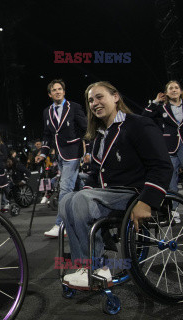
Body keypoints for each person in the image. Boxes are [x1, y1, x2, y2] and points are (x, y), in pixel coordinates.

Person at [60, 81, 172, 289]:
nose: (94, 103)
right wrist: (87, 191)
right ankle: (84, 266)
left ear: (115, 97)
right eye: (91, 100)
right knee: (67, 199)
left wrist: (146, 202)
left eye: (99, 97)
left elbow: (162, 166)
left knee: (82, 199)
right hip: (108, 194)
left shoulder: (138, 124)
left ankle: (98, 267)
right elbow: (94, 174)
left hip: (134, 193)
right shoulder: (99, 135)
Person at [35, 79, 87, 238]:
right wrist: (43, 153)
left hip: (73, 153)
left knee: (65, 188)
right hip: (59, 155)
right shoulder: (47, 111)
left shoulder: (75, 107)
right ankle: (83, 219)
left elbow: (86, 129)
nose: (58, 92)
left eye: (60, 89)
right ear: (50, 94)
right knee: (77, 187)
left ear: (64, 92)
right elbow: (47, 134)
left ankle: (60, 224)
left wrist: (88, 151)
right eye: (54, 90)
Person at [141, 80, 183, 223]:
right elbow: (144, 117)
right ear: (166, 92)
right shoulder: (161, 108)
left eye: (176, 87)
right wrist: (155, 101)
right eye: (170, 88)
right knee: (171, 180)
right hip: (169, 146)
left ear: (181, 91)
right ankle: (174, 211)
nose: (174, 90)